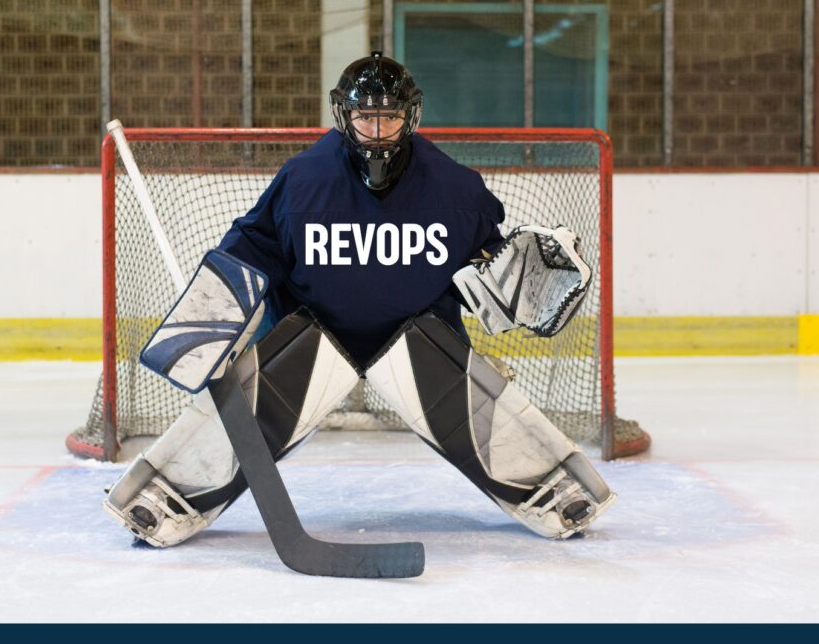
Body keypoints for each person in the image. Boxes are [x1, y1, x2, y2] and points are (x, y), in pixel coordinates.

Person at [103, 52, 616, 548]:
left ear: (409, 116)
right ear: (343, 115)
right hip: (314, 336)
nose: (374, 131)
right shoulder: (304, 181)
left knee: (479, 412)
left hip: (422, 343)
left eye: (387, 117)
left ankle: (557, 492)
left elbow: (490, 264)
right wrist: (211, 322)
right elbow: (253, 247)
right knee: (247, 411)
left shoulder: (457, 189)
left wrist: (525, 279)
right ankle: (163, 497)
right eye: (363, 117)